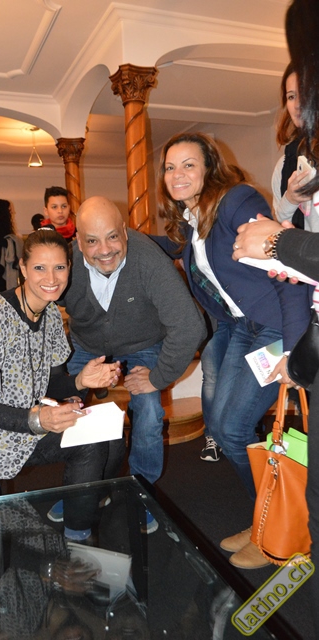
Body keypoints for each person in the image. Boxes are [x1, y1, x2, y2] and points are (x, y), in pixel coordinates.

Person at [154, 132, 311, 568]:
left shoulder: (236, 200)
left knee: (234, 428)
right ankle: (264, 515)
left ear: (209, 167)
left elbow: (285, 267)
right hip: (243, 327)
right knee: (224, 429)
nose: (177, 174)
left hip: (275, 327)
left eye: (188, 164)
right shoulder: (193, 220)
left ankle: (276, 526)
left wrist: (294, 349)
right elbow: (186, 254)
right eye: (170, 167)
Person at [0, 229, 125, 541]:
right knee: (90, 445)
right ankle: (77, 542)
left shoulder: (50, 314)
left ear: (69, 268)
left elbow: (50, 384)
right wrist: (39, 419)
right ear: (23, 268)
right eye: (40, 267)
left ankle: (78, 502)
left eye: (59, 267)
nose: (51, 278)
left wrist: (81, 381)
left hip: (27, 414)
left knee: (114, 435)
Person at [60, 196, 207, 497]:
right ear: (78, 241)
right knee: (62, 405)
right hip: (86, 344)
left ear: (125, 232)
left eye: (113, 236)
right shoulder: (65, 263)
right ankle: (80, 490)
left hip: (143, 343)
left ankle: (141, 491)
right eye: (92, 241)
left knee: (149, 409)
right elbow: (37, 306)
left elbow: (190, 326)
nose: (105, 250)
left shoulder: (148, 260)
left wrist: (158, 378)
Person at [272, 62, 316, 230]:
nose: (297, 104)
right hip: (299, 246)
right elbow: (277, 229)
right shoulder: (284, 164)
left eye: (305, 93)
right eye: (291, 96)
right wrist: (290, 199)